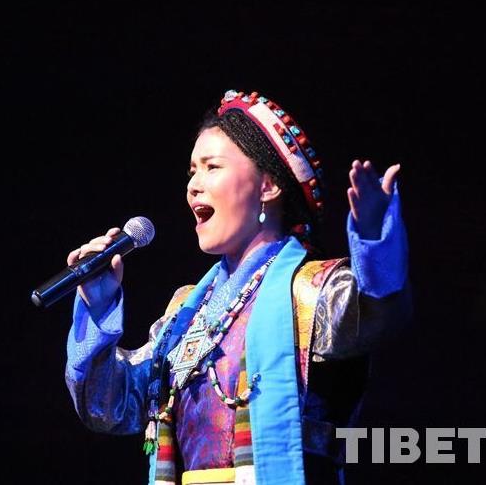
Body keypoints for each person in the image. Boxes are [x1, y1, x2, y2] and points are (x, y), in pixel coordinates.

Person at [64, 89, 411, 485]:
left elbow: (380, 313)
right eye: (192, 172)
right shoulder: (184, 315)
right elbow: (107, 407)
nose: (194, 185)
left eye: (212, 167)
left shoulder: (312, 291)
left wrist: (375, 243)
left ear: (268, 185)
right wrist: (98, 307)